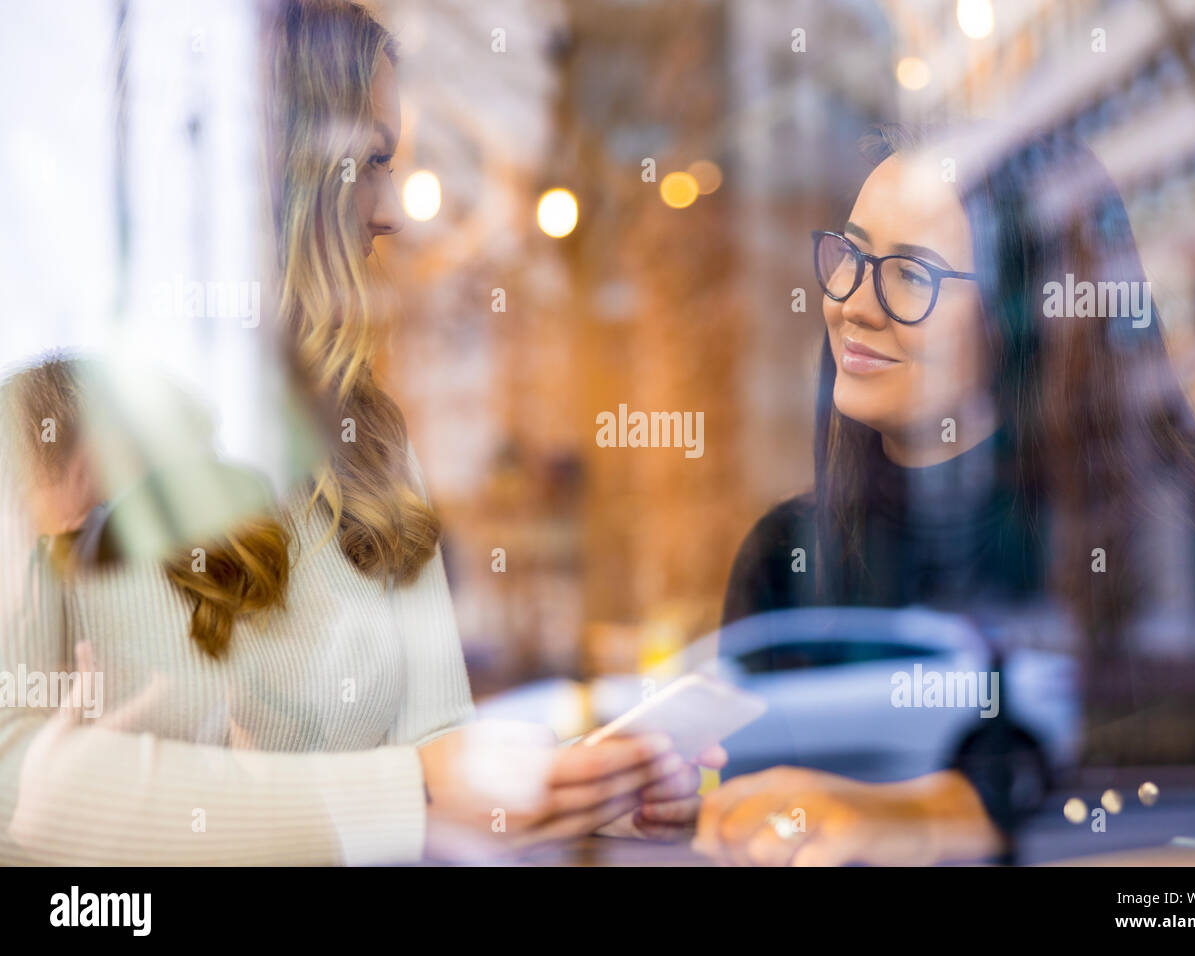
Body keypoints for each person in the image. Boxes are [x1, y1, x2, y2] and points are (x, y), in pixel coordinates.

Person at [0, 0, 715, 865]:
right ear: (280, 166)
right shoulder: (39, 426)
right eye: (371, 161)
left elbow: (440, 745)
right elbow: (17, 779)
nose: (393, 214)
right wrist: (409, 794)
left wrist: (584, 789)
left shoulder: (371, 439)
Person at [693, 123, 1195, 866]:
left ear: (1019, 314)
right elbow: (739, 791)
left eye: (911, 275)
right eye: (849, 256)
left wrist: (956, 813)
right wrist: (655, 790)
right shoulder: (785, 553)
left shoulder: (1191, 515)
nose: (853, 300)